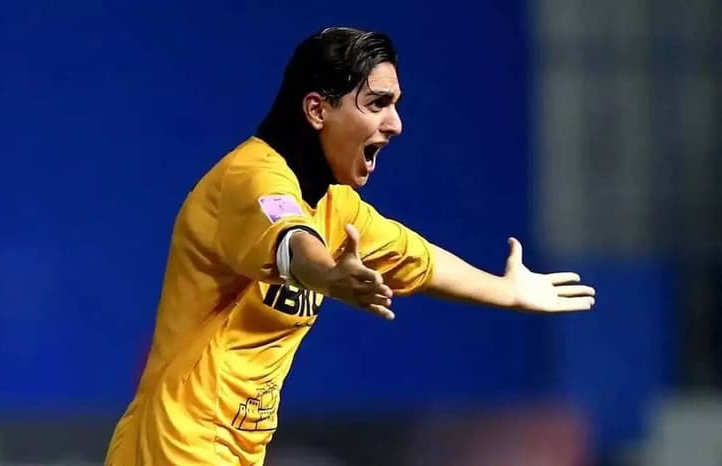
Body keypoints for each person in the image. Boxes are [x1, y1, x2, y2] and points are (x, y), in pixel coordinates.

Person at [104, 27, 596, 466]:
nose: (396, 123)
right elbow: (293, 242)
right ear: (317, 109)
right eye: (377, 104)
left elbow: (418, 260)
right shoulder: (251, 179)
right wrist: (327, 275)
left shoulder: (337, 208)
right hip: (180, 442)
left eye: (395, 105)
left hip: (220, 446)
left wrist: (505, 290)